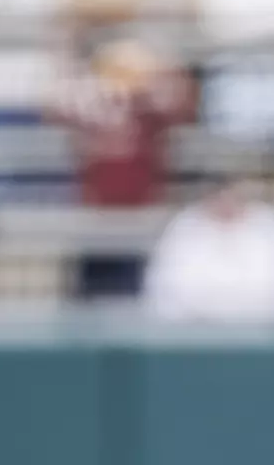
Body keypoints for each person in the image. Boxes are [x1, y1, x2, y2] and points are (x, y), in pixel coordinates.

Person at [49, 35, 197, 299]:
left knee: (133, 292)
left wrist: (161, 66)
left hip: (139, 219)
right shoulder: (95, 108)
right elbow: (59, 107)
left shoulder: (148, 110)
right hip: (96, 219)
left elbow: (181, 102)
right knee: (88, 293)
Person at [143, 178, 274, 323]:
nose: (226, 203)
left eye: (232, 197)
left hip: (262, 333)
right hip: (193, 334)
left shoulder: (271, 227)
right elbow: (167, 288)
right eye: (219, 197)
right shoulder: (183, 227)